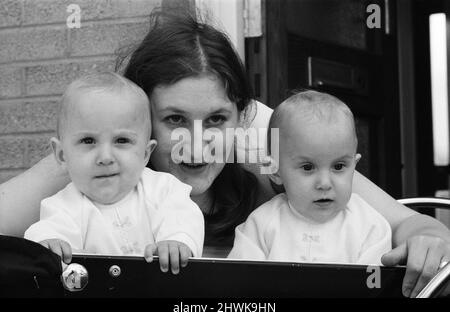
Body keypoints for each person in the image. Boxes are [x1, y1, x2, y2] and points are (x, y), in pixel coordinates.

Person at [0, 7, 449, 297]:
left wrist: (428, 238)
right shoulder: (104, 157)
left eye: (216, 119)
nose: (199, 142)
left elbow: (413, 223)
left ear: (242, 118)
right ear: (139, 126)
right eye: (175, 119)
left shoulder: (265, 143)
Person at [24, 72, 204, 275]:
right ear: (62, 154)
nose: (106, 157)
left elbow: (183, 216)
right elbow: (46, 234)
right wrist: (49, 246)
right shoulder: (63, 206)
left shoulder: (163, 189)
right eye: (88, 141)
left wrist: (176, 241)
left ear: (145, 153)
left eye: (122, 141)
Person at [228, 90, 391, 264]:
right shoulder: (260, 225)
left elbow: (375, 286)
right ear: (275, 170)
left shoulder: (370, 225)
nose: (324, 184)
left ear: (354, 165)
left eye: (338, 166)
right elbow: (240, 282)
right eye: (308, 167)